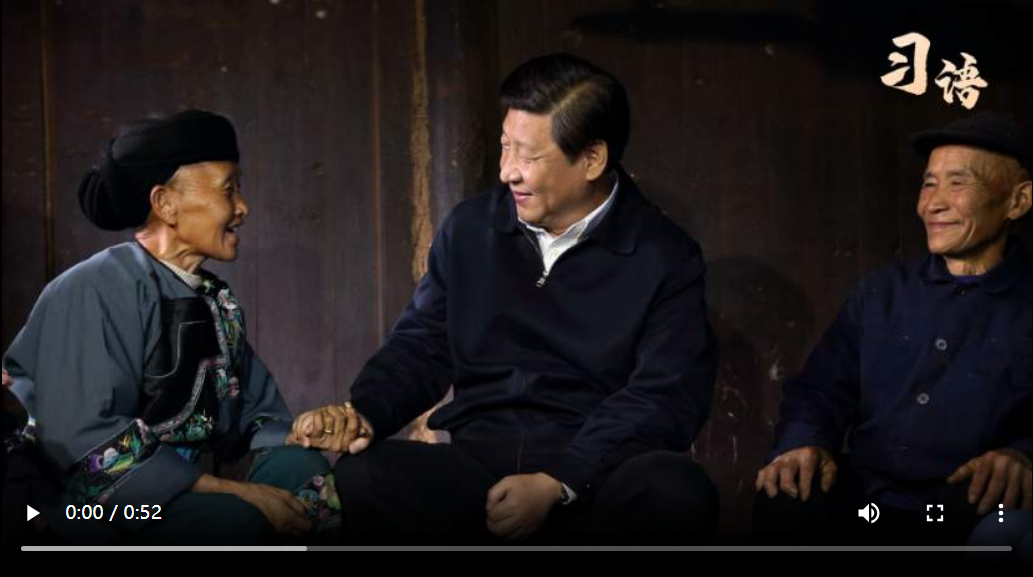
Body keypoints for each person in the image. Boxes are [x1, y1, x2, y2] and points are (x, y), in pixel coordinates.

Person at [298, 54, 720, 545]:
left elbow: (664, 395)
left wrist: (561, 481)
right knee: (363, 478)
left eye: (528, 156)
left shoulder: (664, 257)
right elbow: (422, 345)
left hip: (593, 477)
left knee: (675, 492)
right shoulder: (471, 230)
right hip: (479, 470)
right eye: (504, 147)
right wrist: (365, 412)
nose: (506, 172)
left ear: (592, 159)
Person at [3, 111, 339, 546]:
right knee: (237, 520)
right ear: (165, 204)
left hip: (192, 486)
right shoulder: (92, 288)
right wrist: (232, 491)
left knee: (306, 479)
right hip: (87, 504)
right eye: (229, 189)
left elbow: (255, 415)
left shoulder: (214, 298)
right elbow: (82, 439)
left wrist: (301, 432)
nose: (243, 207)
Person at [755, 112, 1032, 547]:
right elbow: (819, 390)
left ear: (1018, 201)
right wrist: (804, 443)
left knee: (1008, 513)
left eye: (958, 183)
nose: (932, 204)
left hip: (965, 504)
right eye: (928, 184)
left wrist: (1024, 455)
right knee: (786, 497)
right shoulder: (881, 293)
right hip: (870, 499)